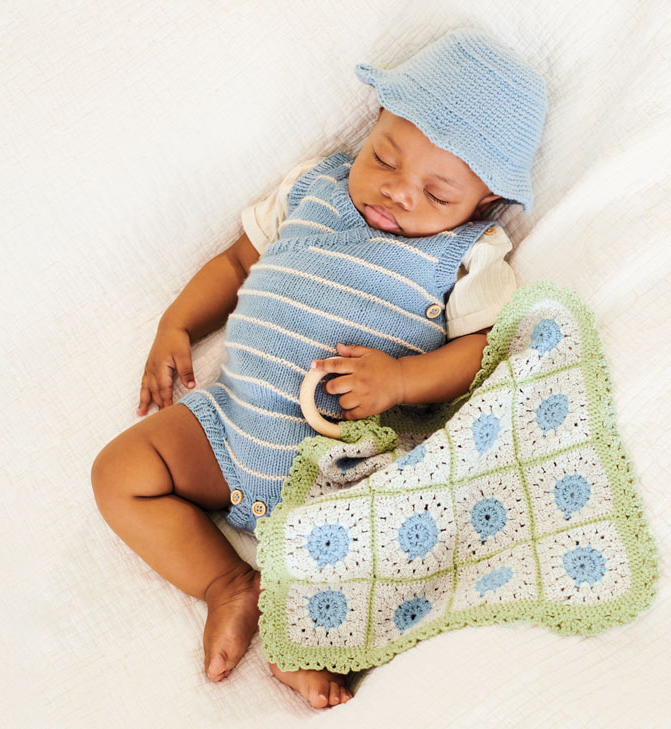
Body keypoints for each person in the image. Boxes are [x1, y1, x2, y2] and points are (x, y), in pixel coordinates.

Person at [92, 27, 548, 708]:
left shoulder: (469, 254)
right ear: (373, 127)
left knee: (382, 563)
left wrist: (400, 381)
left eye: (437, 192)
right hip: (231, 427)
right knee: (119, 473)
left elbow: (486, 348)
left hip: (341, 476)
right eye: (385, 157)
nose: (397, 192)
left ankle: (300, 637)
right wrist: (176, 324)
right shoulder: (315, 188)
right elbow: (236, 263)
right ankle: (228, 584)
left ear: (481, 204)